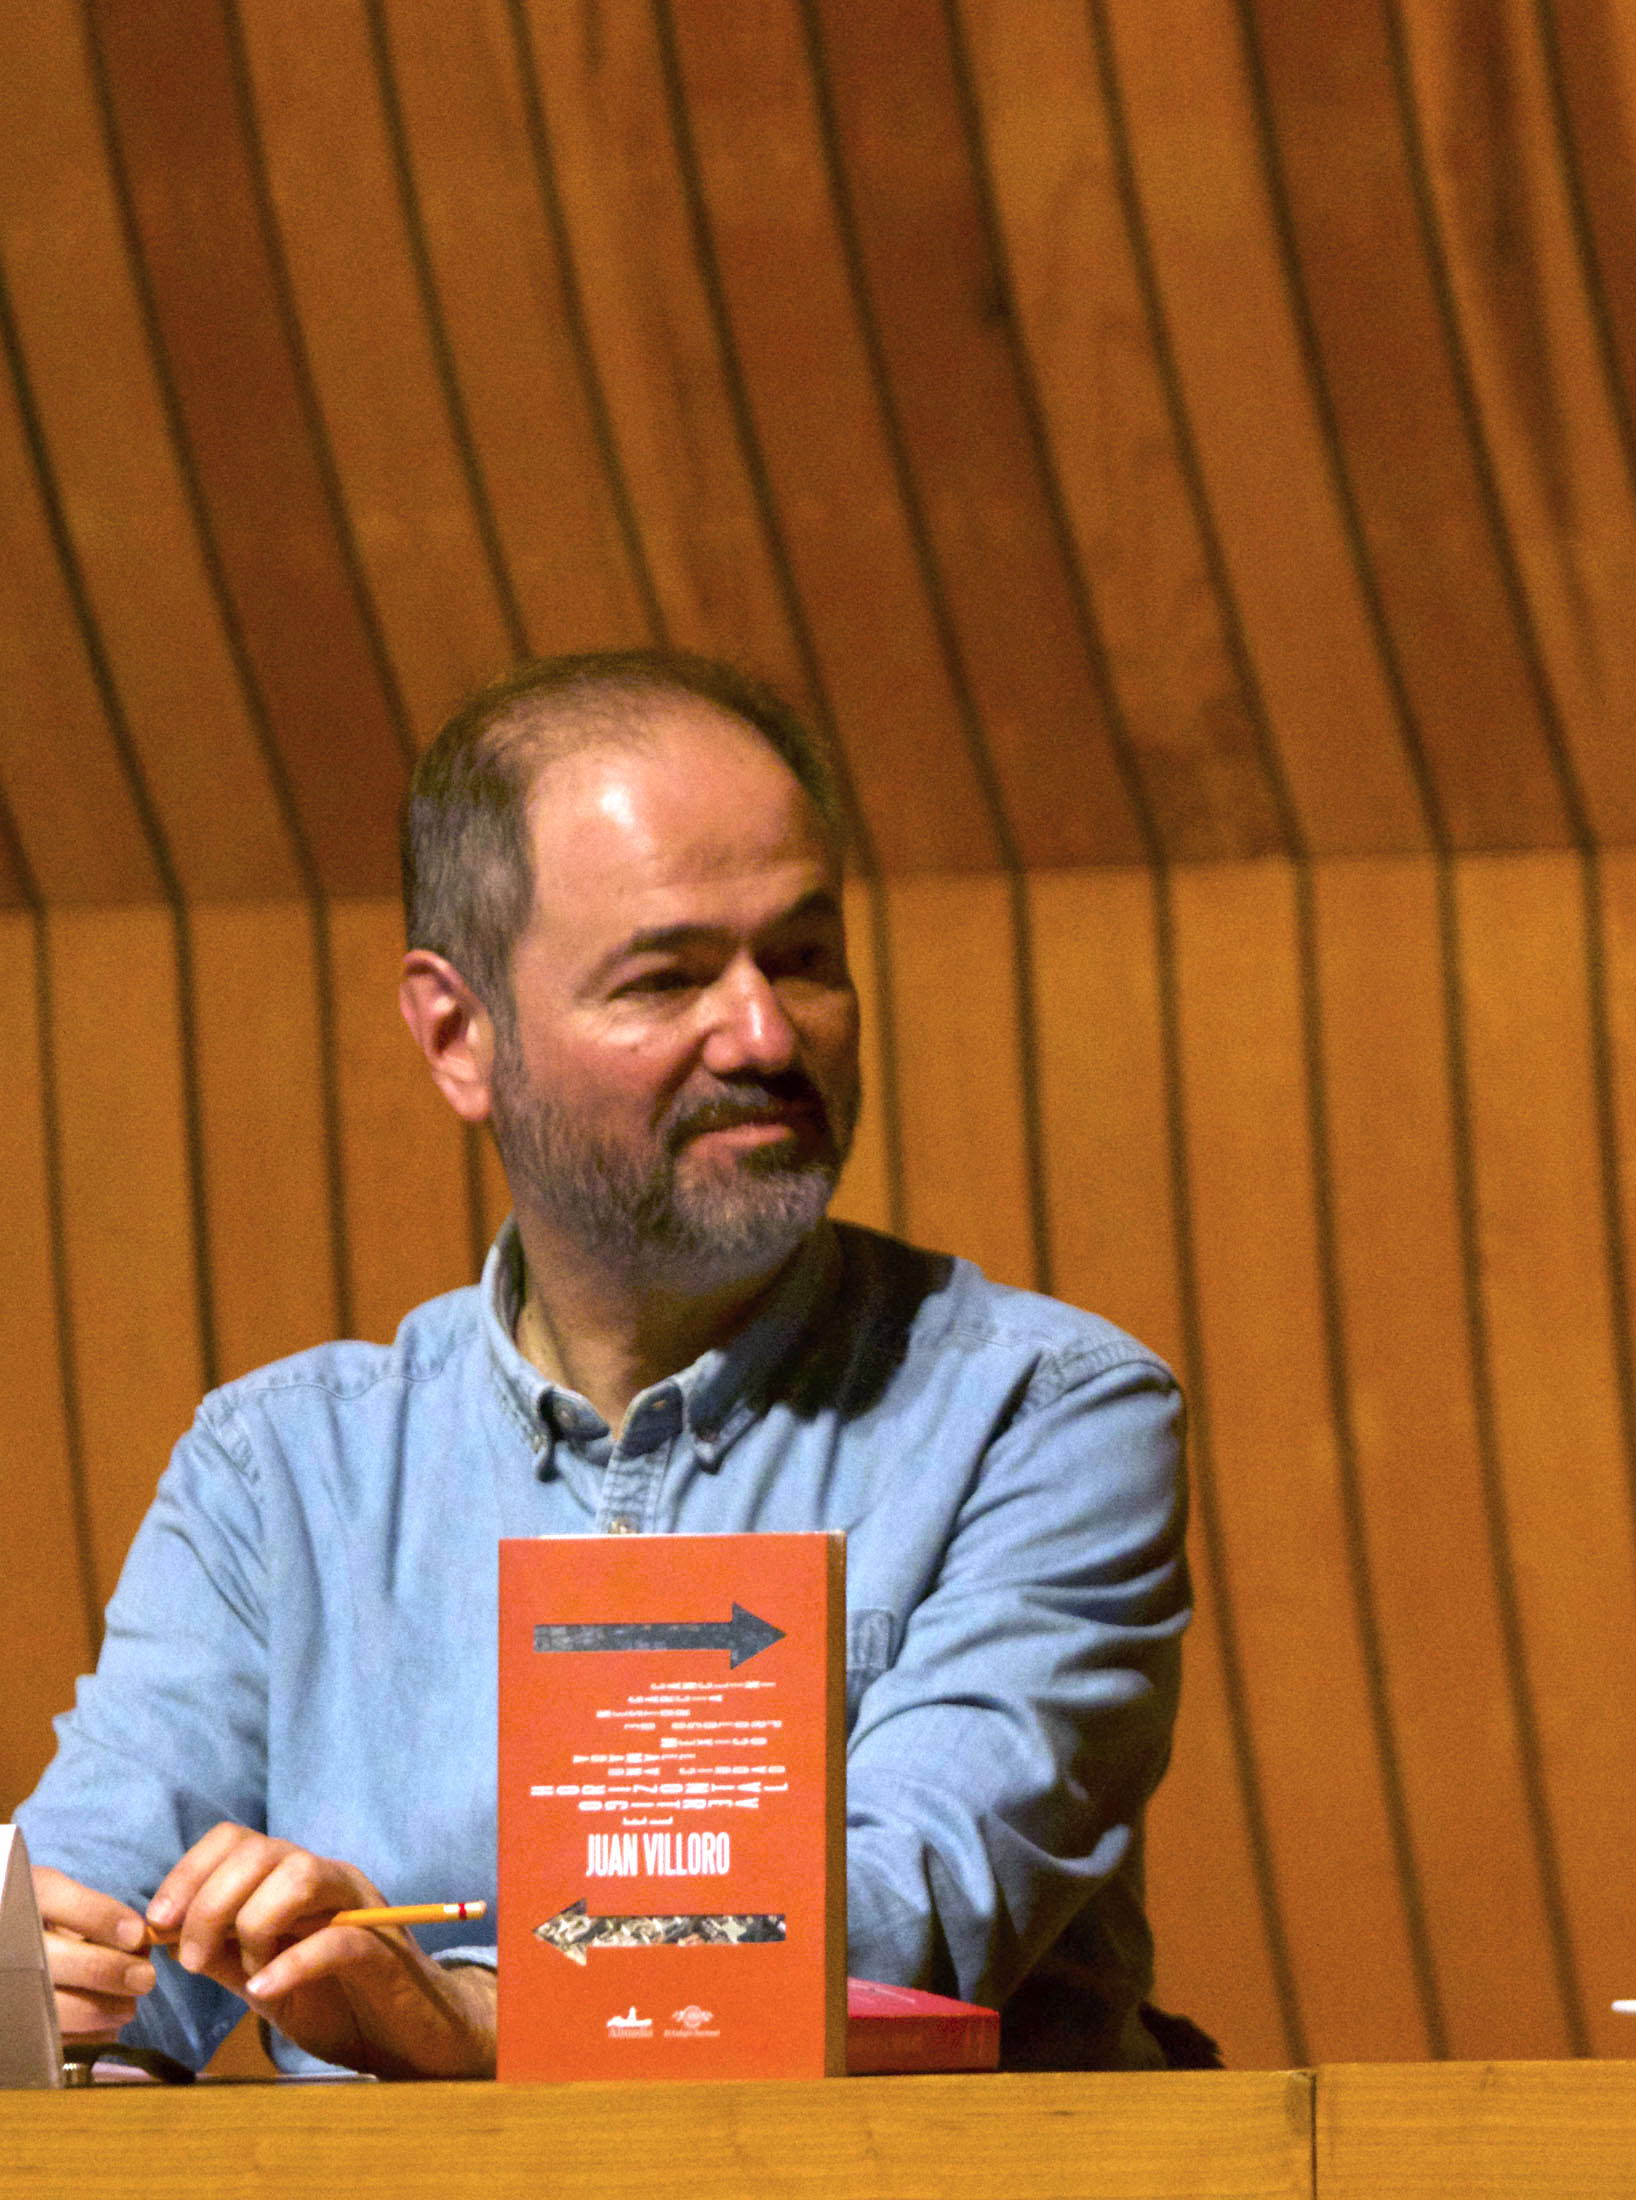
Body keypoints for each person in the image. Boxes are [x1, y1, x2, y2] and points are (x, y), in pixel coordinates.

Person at [17, 652, 1190, 2075]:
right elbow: (91, 1971)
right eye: (668, 977)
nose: (764, 1034)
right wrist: (51, 1991)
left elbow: (897, 1930)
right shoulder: (278, 1469)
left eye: (804, 956)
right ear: (460, 1037)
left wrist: (456, 2012)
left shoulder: (1042, 1416)